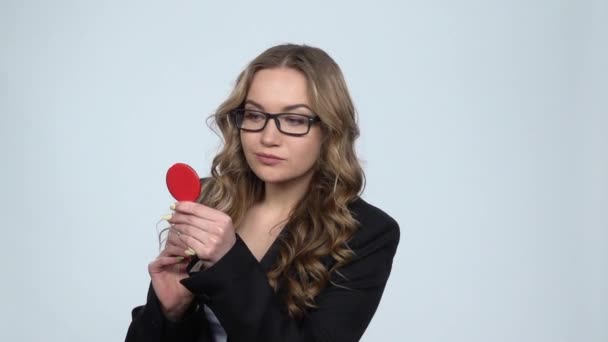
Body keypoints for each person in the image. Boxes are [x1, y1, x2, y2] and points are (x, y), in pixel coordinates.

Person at [125, 43, 400, 342]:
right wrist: (170, 311)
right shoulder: (209, 198)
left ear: (330, 130)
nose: (268, 138)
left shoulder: (368, 233)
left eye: (295, 120)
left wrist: (230, 262)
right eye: (255, 115)